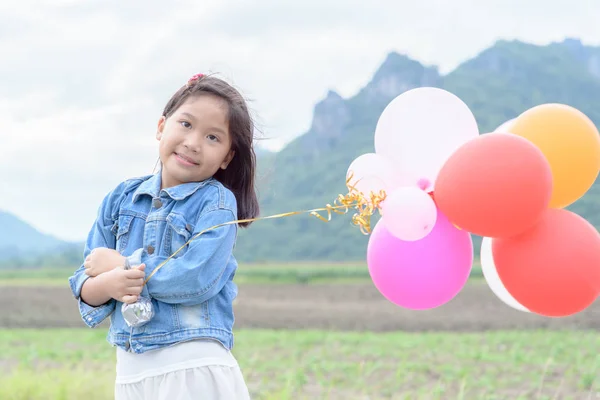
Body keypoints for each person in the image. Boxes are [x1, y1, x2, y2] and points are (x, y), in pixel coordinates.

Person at [68, 73, 259, 399]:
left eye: (213, 137)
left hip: (191, 368)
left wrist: (125, 267)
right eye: (186, 124)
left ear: (227, 156)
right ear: (161, 127)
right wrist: (109, 283)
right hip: (131, 375)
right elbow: (86, 278)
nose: (193, 142)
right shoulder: (121, 198)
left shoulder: (215, 202)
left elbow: (196, 277)